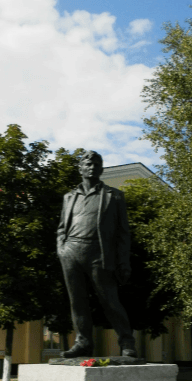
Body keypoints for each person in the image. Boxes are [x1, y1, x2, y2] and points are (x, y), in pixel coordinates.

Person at [57, 150, 137, 358]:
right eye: (88, 164)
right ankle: (83, 343)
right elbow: (62, 227)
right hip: (71, 252)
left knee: (109, 299)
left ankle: (127, 342)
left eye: (96, 164)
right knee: (77, 301)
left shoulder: (115, 196)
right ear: (80, 168)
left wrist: (123, 262)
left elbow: (123, 233)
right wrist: (62, 249)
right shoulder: (69, 197)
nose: (92, 167)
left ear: (101, 169)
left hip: (99, 252)